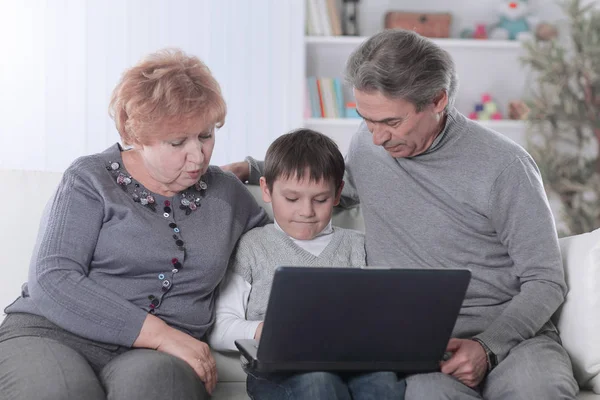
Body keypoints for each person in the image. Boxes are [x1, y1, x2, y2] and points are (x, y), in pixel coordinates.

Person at [222, 29, 578, 399]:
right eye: (367, 119)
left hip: (512, 334)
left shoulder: (505, 167)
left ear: (437, 100)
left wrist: (489, 346)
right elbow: (330, 187)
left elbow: (546, 279)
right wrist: (254, 169)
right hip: (419, 344)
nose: (377, 137)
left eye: (391, 123)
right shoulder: (370, 145)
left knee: (541, 390)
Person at [0, 48, 269, 400]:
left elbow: (299, 210)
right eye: (177, 142)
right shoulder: (90, 179)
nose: (198, 155)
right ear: (138, 137)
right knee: (61, 392)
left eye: (205, 136)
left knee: (158, 389)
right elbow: (53, 277)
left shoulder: (228, 195)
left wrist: (259, 168)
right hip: (51, 334)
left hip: (155, 359)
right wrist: (160, 333)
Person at [209, 129, 406, 400]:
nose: (306, 211)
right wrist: (262, 330)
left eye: (320, 199)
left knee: (383, 382)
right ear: (266, 189)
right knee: (318, 383)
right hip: (276, 372)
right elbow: (220, 327)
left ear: (337, 195)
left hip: (353, 365)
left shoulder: (359, 246)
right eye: (292, 199)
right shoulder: (252, 246)